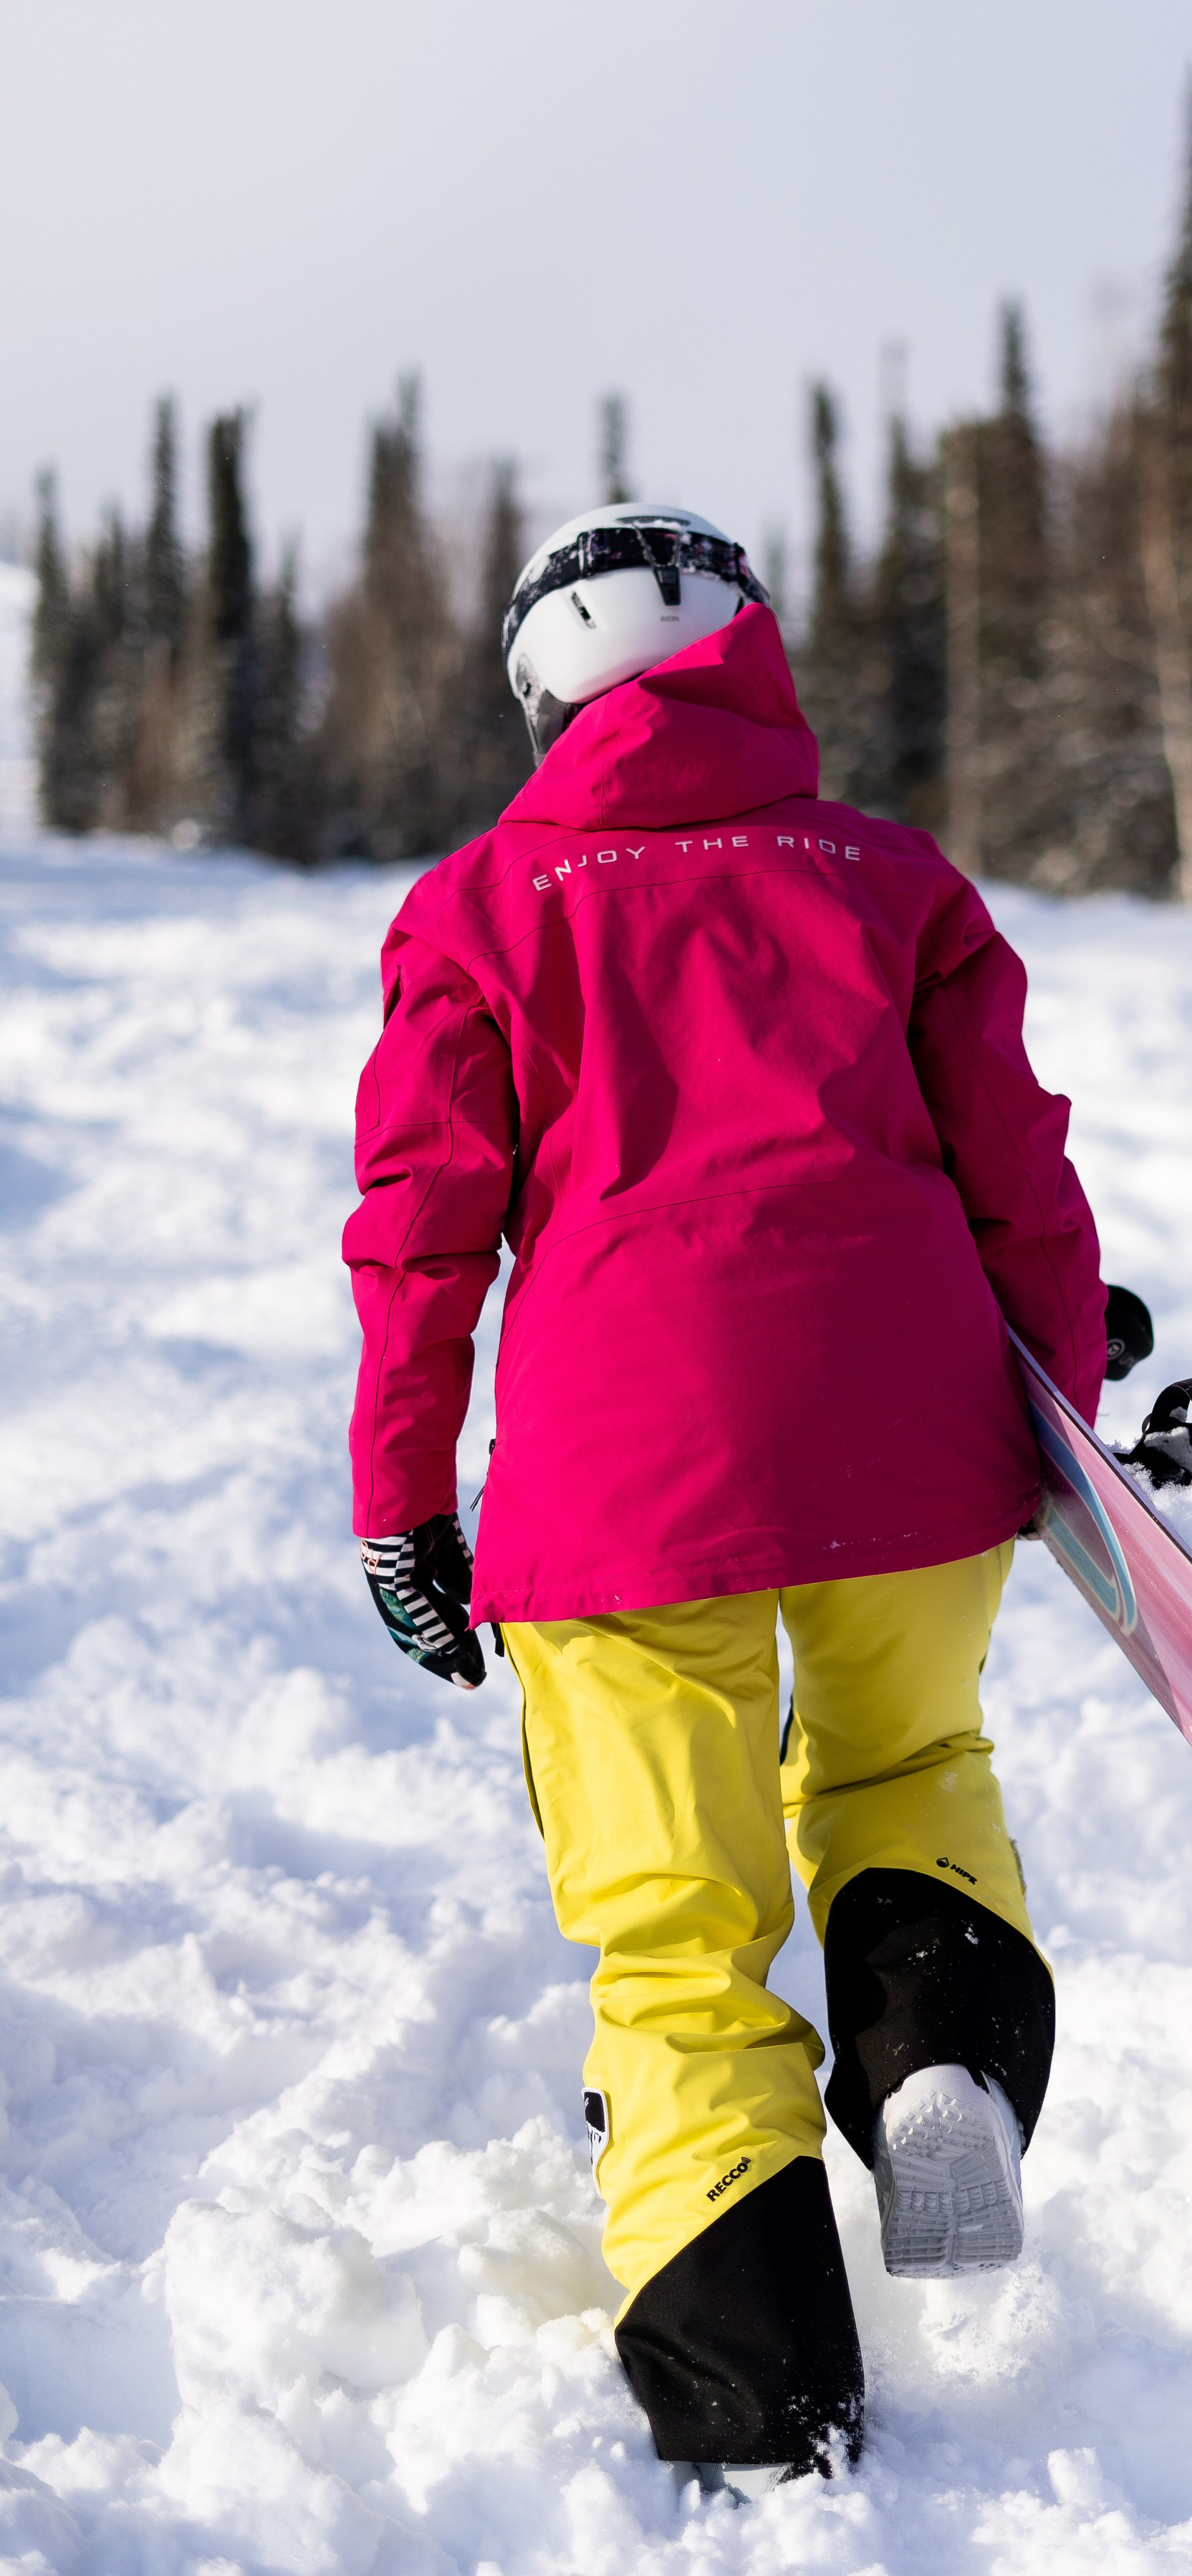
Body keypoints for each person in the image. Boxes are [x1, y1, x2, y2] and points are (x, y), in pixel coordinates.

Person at [345, 504, 1106, 2496]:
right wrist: (1066, 1434)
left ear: (540, 702)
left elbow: (420, 1239)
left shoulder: (478, 909)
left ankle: (766, 2398)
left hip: (628, 1481)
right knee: (903, 1757)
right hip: (915, 1434)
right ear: (751, 657)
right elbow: (1020, 1173)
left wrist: (401, 1495)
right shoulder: (892, 877)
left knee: (675, 1928)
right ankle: (938, 2062)